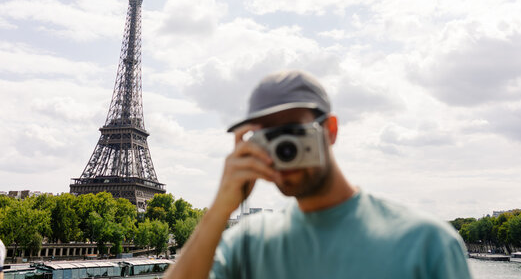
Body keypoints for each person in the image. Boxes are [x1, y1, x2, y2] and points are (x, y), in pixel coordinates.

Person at [164, 70, 471, 279]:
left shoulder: (427, 242)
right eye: (268, 138)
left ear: (331, 130)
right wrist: (219, 210)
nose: (283, 149)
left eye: (294, 133)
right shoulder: (245, 242)